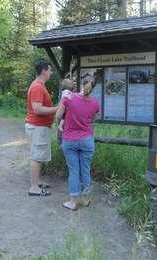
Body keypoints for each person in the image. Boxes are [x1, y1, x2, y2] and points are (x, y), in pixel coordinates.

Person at [56, 81, 100, 210]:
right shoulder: (95, 103)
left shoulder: (69, 98)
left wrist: (63, 103)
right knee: (85, 170)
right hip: (87, 139)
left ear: (81, 86)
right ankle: (85, 200)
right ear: (92, 89)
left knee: (74, 171)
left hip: (69, 140)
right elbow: (93, 119)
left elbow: (58, 115)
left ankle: (73, 202)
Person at [25, 60, 58, 197]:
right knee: (36, 157)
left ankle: (37, 182)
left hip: (39, 127)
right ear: (44, 71)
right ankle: (33, 188)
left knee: (37, 155)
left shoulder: (39, 85)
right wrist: (57, 108)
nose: (51, 73)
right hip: (38, 127)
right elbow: (37, 109)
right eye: (50, 70)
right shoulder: (38, 87)